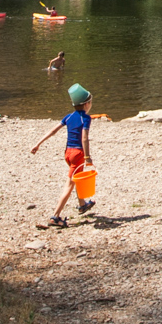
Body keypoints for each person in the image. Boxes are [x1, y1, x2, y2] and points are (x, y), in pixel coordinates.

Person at [31, 84, 97, 223]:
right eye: (90, 102)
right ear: (86, 104)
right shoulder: (85, 118)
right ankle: (55, 216)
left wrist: (38, 143)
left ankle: (82, 205)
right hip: (78, 154)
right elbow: (84, 138)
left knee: (76, 178)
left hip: (68, 153)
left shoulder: (69, 116)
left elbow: (53, 131)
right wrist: (87, 157)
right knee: (70, 184)